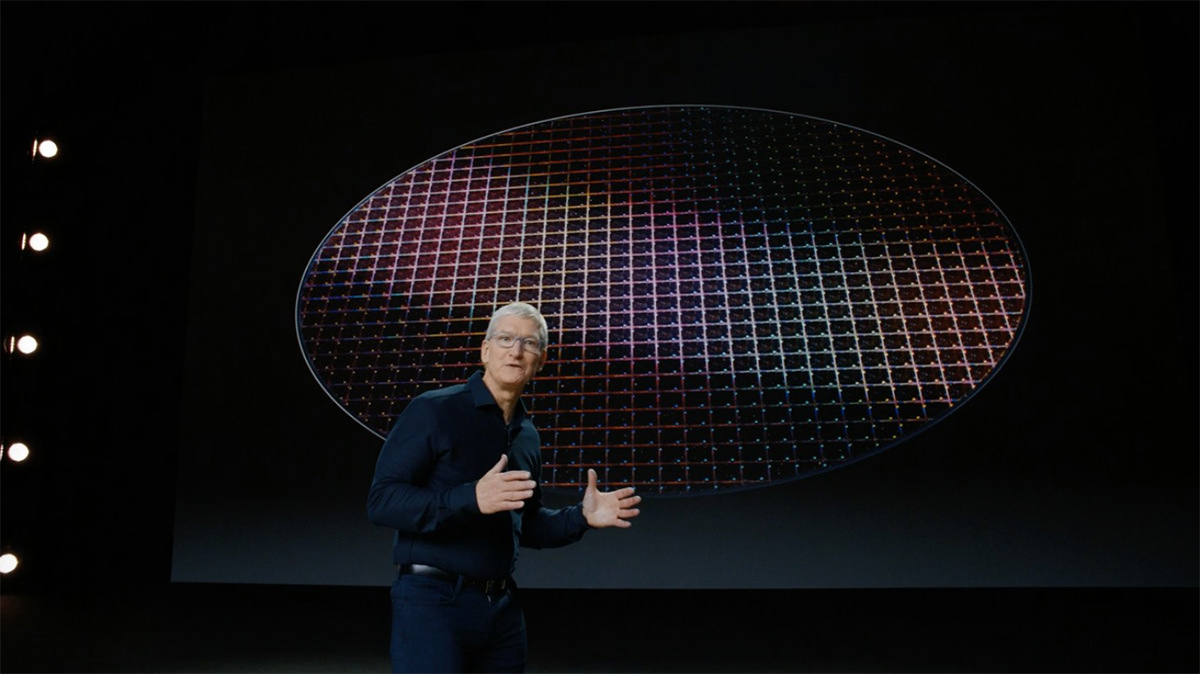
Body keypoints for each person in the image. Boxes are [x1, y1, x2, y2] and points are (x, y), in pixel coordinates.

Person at [368, 301, 642, 673]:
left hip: (501, 608)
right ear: (485, 349)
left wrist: (582, 517)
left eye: (528, 344)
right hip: (432, 602)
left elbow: (526, 524)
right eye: (506, 339)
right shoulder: (433, 410)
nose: (516, 351)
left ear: (541, 360)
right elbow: (382, 501)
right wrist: (471, 498)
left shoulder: (527, 435)